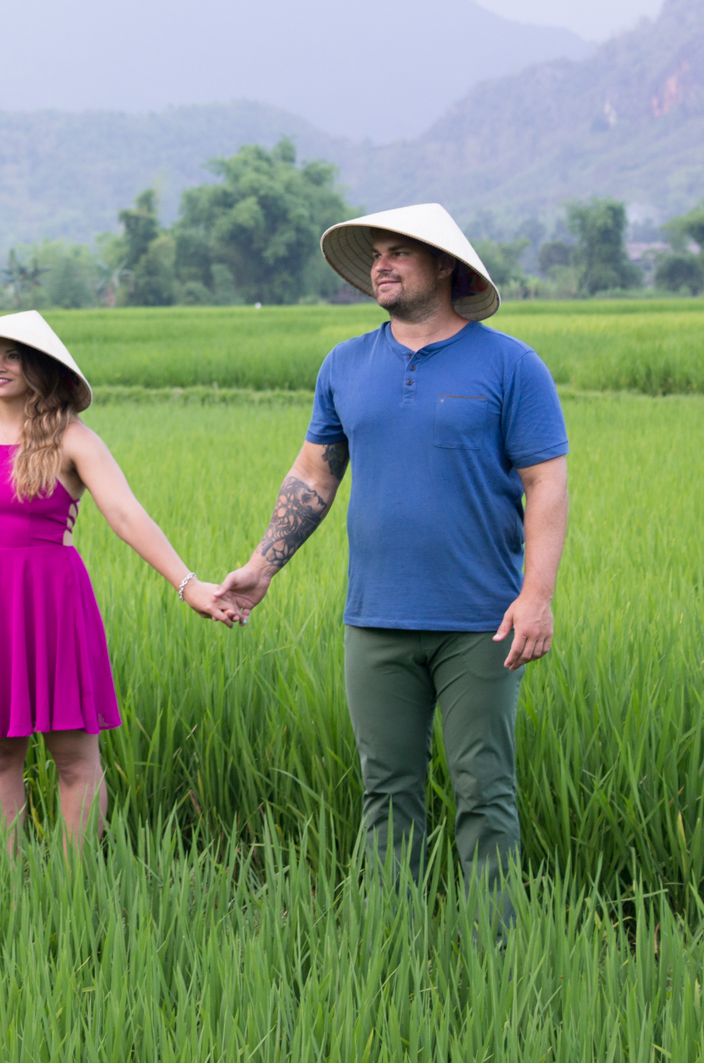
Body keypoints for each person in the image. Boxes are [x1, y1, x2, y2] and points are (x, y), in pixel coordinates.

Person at [214, 205, 569, 907]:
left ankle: (496, 955)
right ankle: (389, 948)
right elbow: (314, 474)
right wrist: (262, 564)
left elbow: (545, 484)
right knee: (387, 791)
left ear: (445, 266)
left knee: (485, 790)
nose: (382, 263)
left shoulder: (510, 364)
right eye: (377, 252)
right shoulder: (346, 364)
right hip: (375, 618)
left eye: (400, 251)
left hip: (481, 621)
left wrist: (537, 595)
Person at [0, 310, 240, 851]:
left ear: (41, 367)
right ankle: (2, 889)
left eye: (14, 354)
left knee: (73, 753)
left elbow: (126, 515)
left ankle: (75, 886)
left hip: (52, 603)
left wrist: (188, 584)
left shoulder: (73, 440)